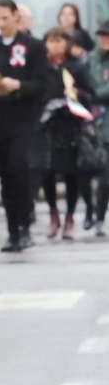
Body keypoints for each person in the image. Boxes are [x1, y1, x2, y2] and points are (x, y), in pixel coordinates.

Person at [0, 0, 50, 253]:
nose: (0, 23)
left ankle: (25, 226)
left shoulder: (34, 46)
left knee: (20, 173)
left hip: (23, 121)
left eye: (5, 18)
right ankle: (12, 231)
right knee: (6, 177)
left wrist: (18, 85)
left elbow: (42, 84)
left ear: (16, 16)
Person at [39, 26, 95, 241]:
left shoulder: (76, 68)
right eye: (51, 41)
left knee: (71, 174)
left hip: (70, 127)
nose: (54, 46)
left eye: (59, 41)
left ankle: (70, 217)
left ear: (67, 44)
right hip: (47, 127)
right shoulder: (42, 68)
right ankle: (53, 214)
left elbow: (90, 95)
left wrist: (76, 93)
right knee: (47, 172)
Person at [87, 21, 109, 236]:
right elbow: (89, 86)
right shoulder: (92, 59)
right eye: (102, 35)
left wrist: (97, 93)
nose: (104, 40)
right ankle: (99, 217)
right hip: (99, 125)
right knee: (104, 177)